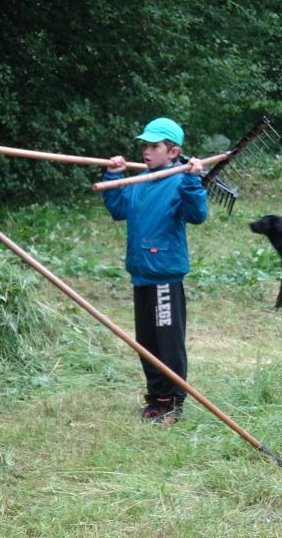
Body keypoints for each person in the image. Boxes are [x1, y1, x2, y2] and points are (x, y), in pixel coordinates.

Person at [101, 117, 207, 425]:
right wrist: (114, 176)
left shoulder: (179, 181)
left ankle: (173, 402)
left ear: (173, 152)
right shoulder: (139, 181)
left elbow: (197, 214)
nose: (146, 151)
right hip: (141, 273)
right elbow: (118, 209)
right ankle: (156, 397)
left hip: (165, 277)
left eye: (153, 146)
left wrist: (192, 181)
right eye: (144, 146)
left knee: (168, 343)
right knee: (146, 341)